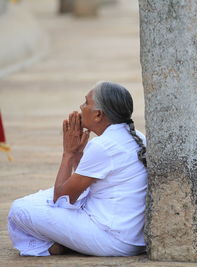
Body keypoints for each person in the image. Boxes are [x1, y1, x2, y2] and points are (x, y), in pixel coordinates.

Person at [8, 81, 148, 256]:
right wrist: (78, 153)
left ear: (98, 115)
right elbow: (90, 180)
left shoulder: (103, 146)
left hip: (112, 239)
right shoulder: (136, 136)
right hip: (132, 238)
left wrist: (68, 153)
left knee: (19, 210)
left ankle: (51, 246)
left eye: (86, 103)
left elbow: (62, 198)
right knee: (41, 197)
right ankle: (64, 243)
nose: (81, 107)